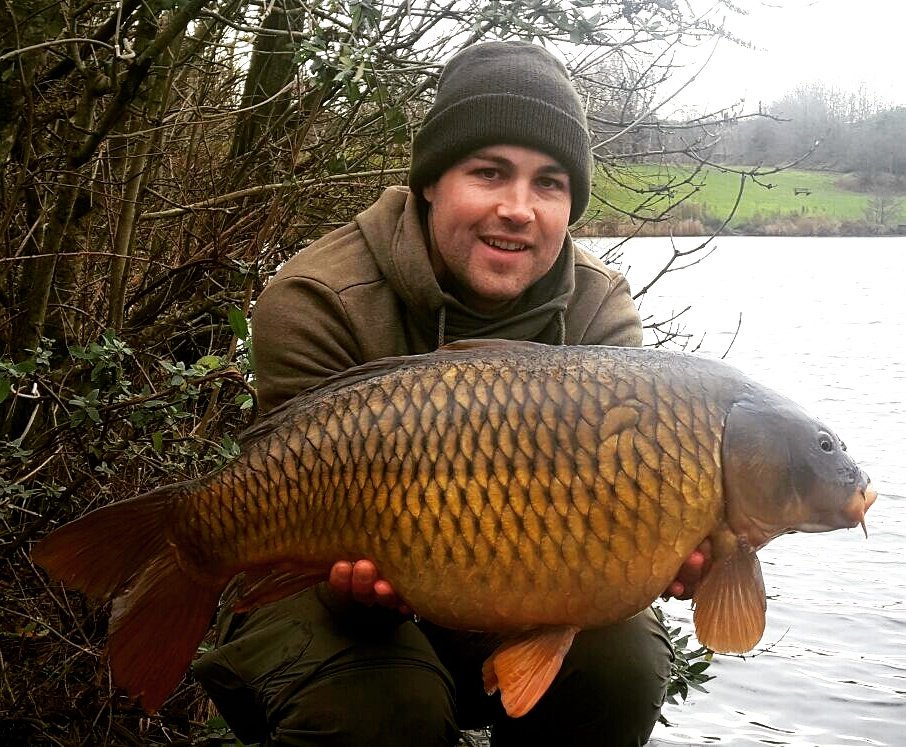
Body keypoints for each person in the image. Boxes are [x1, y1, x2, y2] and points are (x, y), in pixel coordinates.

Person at [193, 41, 711, 746]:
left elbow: (616, 514)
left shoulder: (598, 313)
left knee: (622, 660)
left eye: (549, 183)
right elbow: (289, 503)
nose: (518, 208)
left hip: (525, 578)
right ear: (432, 180)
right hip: (323, 593)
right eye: (489, 172)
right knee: (385, 708)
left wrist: (652, 547)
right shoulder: (318, 298)